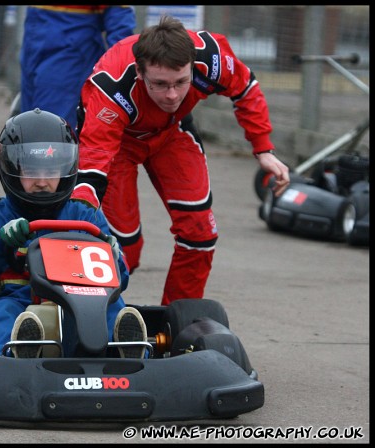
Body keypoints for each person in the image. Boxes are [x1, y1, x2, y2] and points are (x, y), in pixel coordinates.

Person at [73, 15, 291, 305]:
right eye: (160, 84)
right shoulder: (111, 86)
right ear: (140, 71)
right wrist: (82, 202)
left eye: (181, 82)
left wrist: (263, 148)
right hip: (120, 144)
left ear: (192, 66)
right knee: (122, 248)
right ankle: (93, 316)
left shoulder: (209, 58)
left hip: (171, 133)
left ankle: (178, 319)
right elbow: (95, 158)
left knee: (200, 232)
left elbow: (245, 87)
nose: (172, 94)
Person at [0, 108, 146, 359]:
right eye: (32, 172)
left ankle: (126, 351)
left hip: (81, 305)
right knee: (0, 316)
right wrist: (0, 242)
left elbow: (119, 280)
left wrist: (113, 256)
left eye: (51, 172)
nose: (42, 182)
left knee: (111, 308)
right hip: (13, 300)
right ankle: (19, 351)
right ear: (11, 168)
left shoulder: (85, 216)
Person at [19, 5, 136, 127]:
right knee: (27, 124)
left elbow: (120, 23)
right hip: (34, 42)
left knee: (49, 125)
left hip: (71, 49)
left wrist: (120, 73)